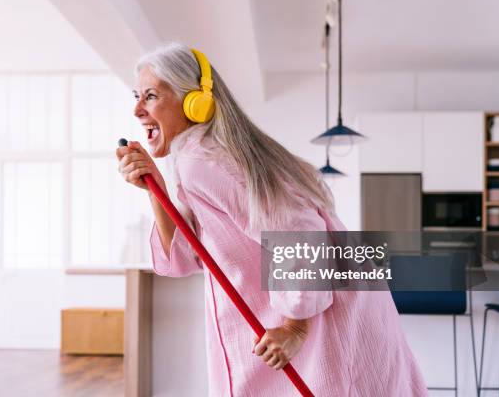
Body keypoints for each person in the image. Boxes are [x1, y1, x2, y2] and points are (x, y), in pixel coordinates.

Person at [116, 42, 428, 396]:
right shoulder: (195, 158)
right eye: (137, 96)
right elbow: (185, 256)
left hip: (328, 317)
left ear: (193, 100)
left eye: (151, 96)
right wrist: (156, 189)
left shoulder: (204, 161)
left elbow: (300, 231)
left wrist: (295, 326)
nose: (138, 109)